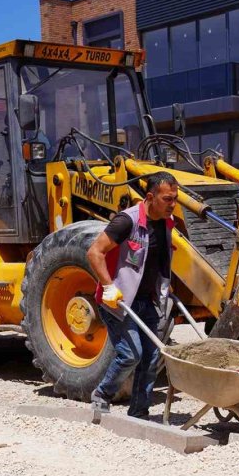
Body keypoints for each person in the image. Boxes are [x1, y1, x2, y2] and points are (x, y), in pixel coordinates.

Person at [86, 171, 178, 418]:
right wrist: (107, 286)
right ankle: (102, 394)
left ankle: (139, 412)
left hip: (147, 301)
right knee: (131, 354)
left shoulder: (166, 223)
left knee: (151, 358)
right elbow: (94, 253)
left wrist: (166, 288)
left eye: (175, 199)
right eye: (168, 199)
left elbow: (159, 260)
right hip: (118, 301)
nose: (173, 204)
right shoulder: (127, 221)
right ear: (150, 197)